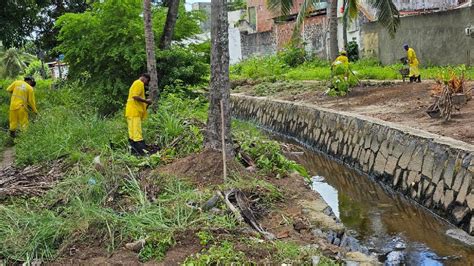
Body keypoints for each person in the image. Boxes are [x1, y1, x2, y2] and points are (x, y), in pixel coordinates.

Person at [125, 73, 153, 156]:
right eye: (146, 82)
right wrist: (146, 101)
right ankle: (142, 152)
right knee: (137, 133)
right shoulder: (139, 83)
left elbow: (136, 99)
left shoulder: (135, 83)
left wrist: (145, 103)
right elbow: (135, 96)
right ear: (145, 79)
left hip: (131, 112)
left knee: (132, 134)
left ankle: (134, 152)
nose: (145, 84)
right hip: (135, 112)